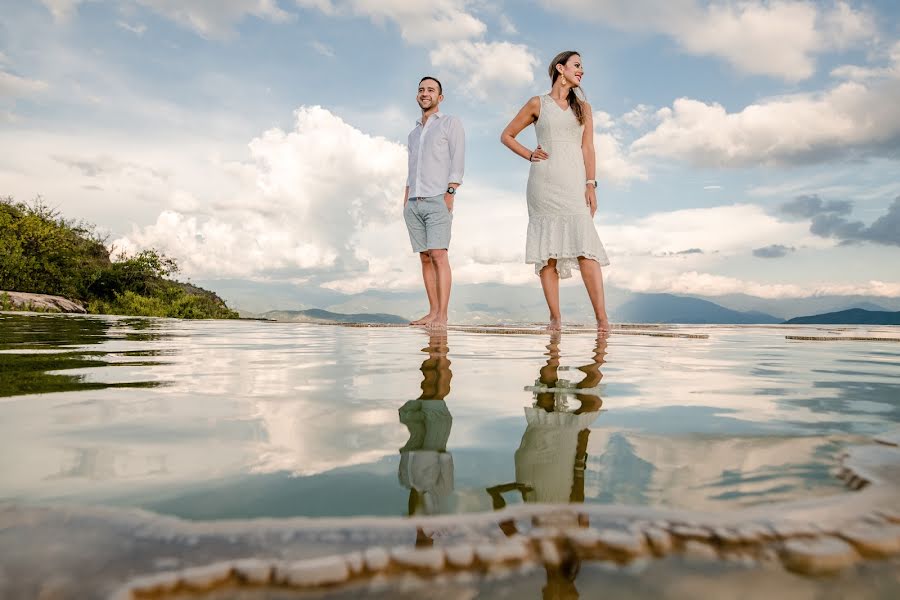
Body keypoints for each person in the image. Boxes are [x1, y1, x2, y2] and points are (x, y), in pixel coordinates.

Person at [500, 51, 611, 333]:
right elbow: (507, 135)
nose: (581, 70)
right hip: (543, 184)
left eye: (582, 67)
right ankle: (556, 319)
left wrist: (591, 184)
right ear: (560, 69)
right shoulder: (538, 103)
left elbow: (588, 147)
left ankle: (602, 320)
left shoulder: (583, 108)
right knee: (547, 253)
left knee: (586, 250)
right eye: (577, 65)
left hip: (574, 183)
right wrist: (528, 154)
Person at [404, 76, 465, 330]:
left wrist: (450, 192)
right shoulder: (413, 133)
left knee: (439, 255)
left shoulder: (450, 123)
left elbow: (457, 160)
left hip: (438, 198)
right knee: (425, 258)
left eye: (430, 90)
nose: (424, 93)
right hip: (413, 201)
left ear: (440, 97)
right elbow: (411, 169)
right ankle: (432, 312)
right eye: (421, 89)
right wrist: (405, 201)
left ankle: (443, 315)